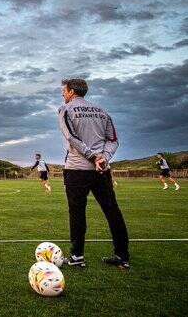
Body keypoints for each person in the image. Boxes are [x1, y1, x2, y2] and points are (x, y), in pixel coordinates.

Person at [58, 78, 129, 269]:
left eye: (64, 91)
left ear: (72, 91)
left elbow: (71, 137)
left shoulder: (65, 109)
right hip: (101, 170)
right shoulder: (102, 111)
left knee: (77, 213)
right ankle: (122, 256)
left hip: (77, 170)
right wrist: (103, 158)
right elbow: (113, 140)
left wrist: (92, 157)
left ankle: (77, 257)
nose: (62, 94)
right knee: (112, 210)